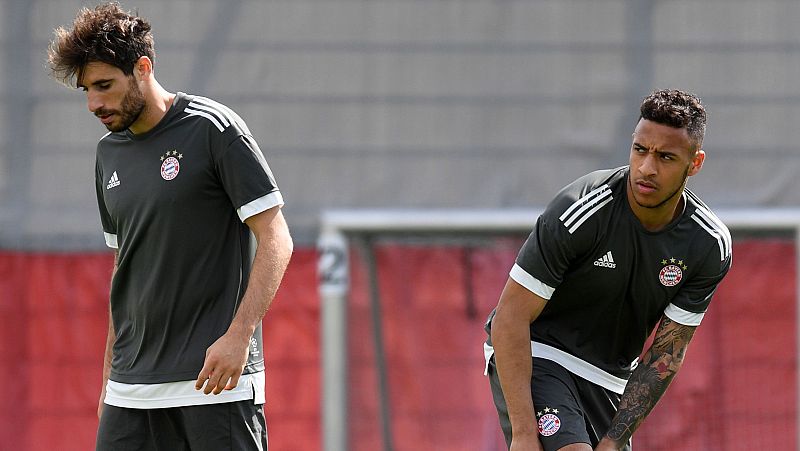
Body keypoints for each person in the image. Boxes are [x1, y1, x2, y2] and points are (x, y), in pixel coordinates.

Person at [47, 3, 293, 450]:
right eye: (86, 90)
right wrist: (109, 377)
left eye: (104, 85)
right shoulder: (108, 154)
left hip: (212, 382)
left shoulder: (214, 129)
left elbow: (277, 238)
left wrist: (238, 339)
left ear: (142, 68)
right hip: (130, 389)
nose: (93, 103)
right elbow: (127, 269)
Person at [484, 89, 732, 451]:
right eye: (640, 150)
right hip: (540, 352)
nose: (647, 168)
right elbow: (509, 318)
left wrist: (615, 441)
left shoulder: (708, 245)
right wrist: (523, 435)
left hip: (611, 380)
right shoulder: (580, 208)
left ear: (694, 164)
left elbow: (665, 355)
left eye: (665, 157)